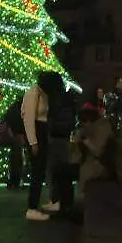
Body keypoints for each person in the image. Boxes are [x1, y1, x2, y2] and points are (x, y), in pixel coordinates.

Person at [44, 73, 77, 216]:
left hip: (56, 138)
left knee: (57, 171)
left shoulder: (56, 100)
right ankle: (61, 202)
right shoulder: (64, 99)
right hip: (61, 138)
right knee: (59, 172)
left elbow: (60, 120)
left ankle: (59, 201)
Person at [21, 71, 51, 221]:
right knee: (37, 172)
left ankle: (34, 205)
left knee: (40, 171)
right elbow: (28, 119)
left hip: (42, 132)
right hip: (37, 133)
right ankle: (32, 207)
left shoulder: (43, 93)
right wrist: (33, 142)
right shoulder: (34, 93)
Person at [76, 103, 115, 196]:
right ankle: (64, 205)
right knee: (60, 170)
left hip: (100, 165)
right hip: (87, 162)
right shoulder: (87, 129)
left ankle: (83, 198)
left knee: (86, 171)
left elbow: (98, 151)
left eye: (84, 122)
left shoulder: (103, 127)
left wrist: (86, 141)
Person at [1, 94, 27, 189]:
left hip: (14, 136)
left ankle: (13, 181)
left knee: (15, 159)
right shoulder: (19, 110)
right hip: (16, 136)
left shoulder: (14, 108)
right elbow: (17, 123)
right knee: (17, 159)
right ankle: (15, 181)